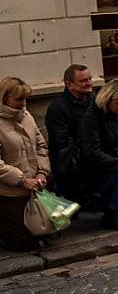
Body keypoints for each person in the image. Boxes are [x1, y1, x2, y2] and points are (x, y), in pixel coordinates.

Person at [75, 79, 118, 230]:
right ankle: (109, 208)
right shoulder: (91, 117)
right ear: (107, 101)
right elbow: (92, 153)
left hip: (113, 159)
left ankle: (111, 211)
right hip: (94, 167)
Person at [0, 77, 51, 251]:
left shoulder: (27, 116)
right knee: (25, 243)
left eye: (25, 99)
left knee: (45, 231)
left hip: (33, 188)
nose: (23, 104)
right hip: (9, 193)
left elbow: (41, 146)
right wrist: (22, 180)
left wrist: (42, 173)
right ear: (4, 99)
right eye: (19, 100)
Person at [44, 64, 93, 191]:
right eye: (83, 80)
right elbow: (61, 141)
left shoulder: (96, 101)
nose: (89, 83)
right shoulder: (57, 108)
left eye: (90, 79)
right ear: (69, 84)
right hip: (71, 164)